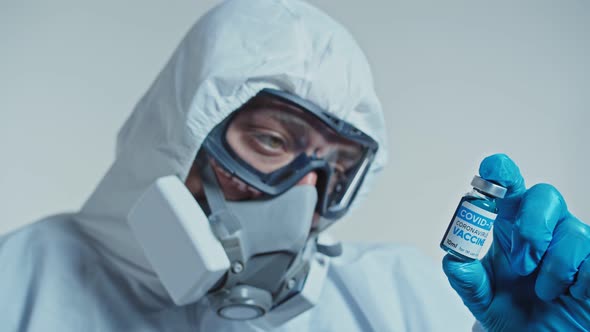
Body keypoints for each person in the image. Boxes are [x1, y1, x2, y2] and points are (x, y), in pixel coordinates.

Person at [1, 0, 589, 331]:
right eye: (270, 143)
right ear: (181, 133)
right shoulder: (19, 285)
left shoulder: (405, 304)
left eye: (334, 167)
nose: (303, 198)